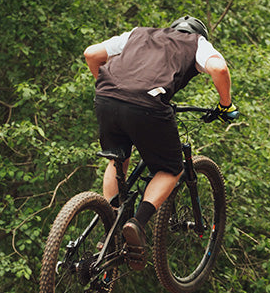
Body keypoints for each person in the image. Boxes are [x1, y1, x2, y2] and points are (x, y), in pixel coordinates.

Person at [83, 15, 235, 269]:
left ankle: (112, 226)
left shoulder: (138, 33)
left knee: (117, 159)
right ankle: (137, 223)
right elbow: (219, 69)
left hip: (106, 97)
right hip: (148, 106)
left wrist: (112, 89)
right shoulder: (196, 43)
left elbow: (91, 54)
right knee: (170, 168)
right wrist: (225, 105)